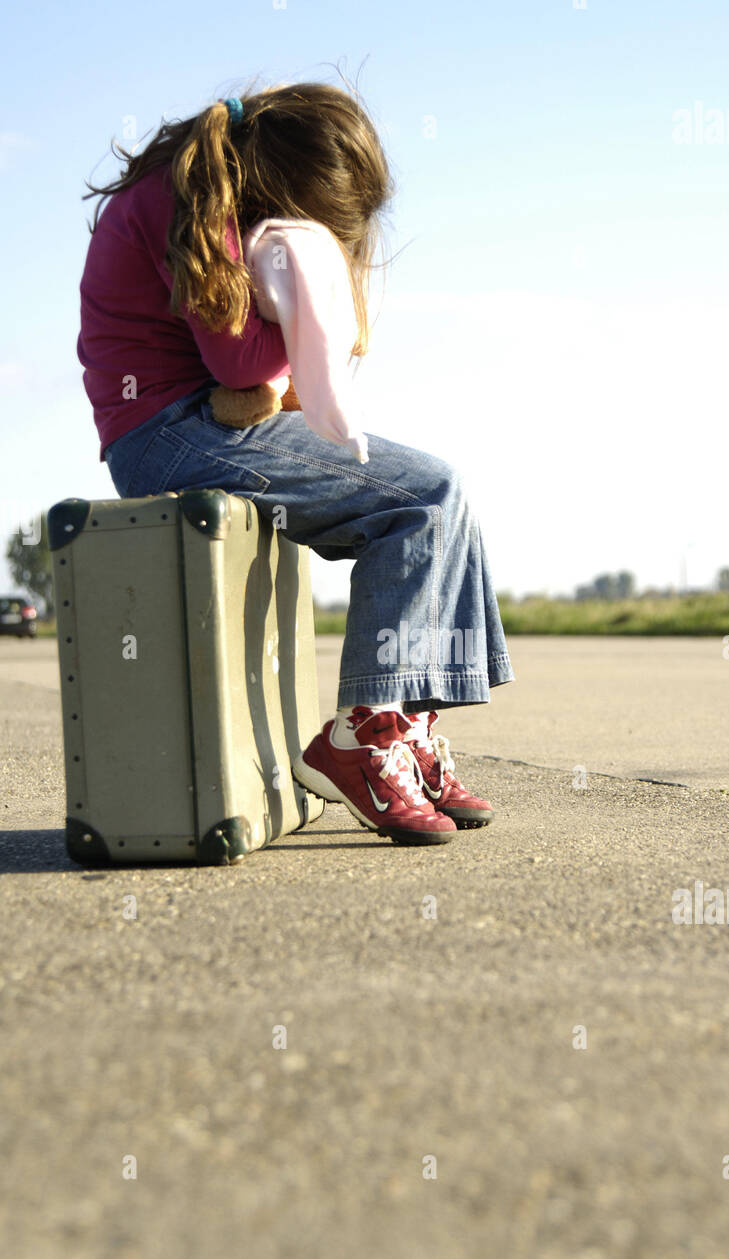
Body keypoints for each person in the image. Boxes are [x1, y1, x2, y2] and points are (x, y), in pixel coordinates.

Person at [79, 82, 514, 847]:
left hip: (184, 425)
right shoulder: (194, 200)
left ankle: (403, 726)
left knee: (446, 493)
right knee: (420, 497)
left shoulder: (202, 185)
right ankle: (358, 741)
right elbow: (239, 361)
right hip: (167, 434)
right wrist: (305, 289)